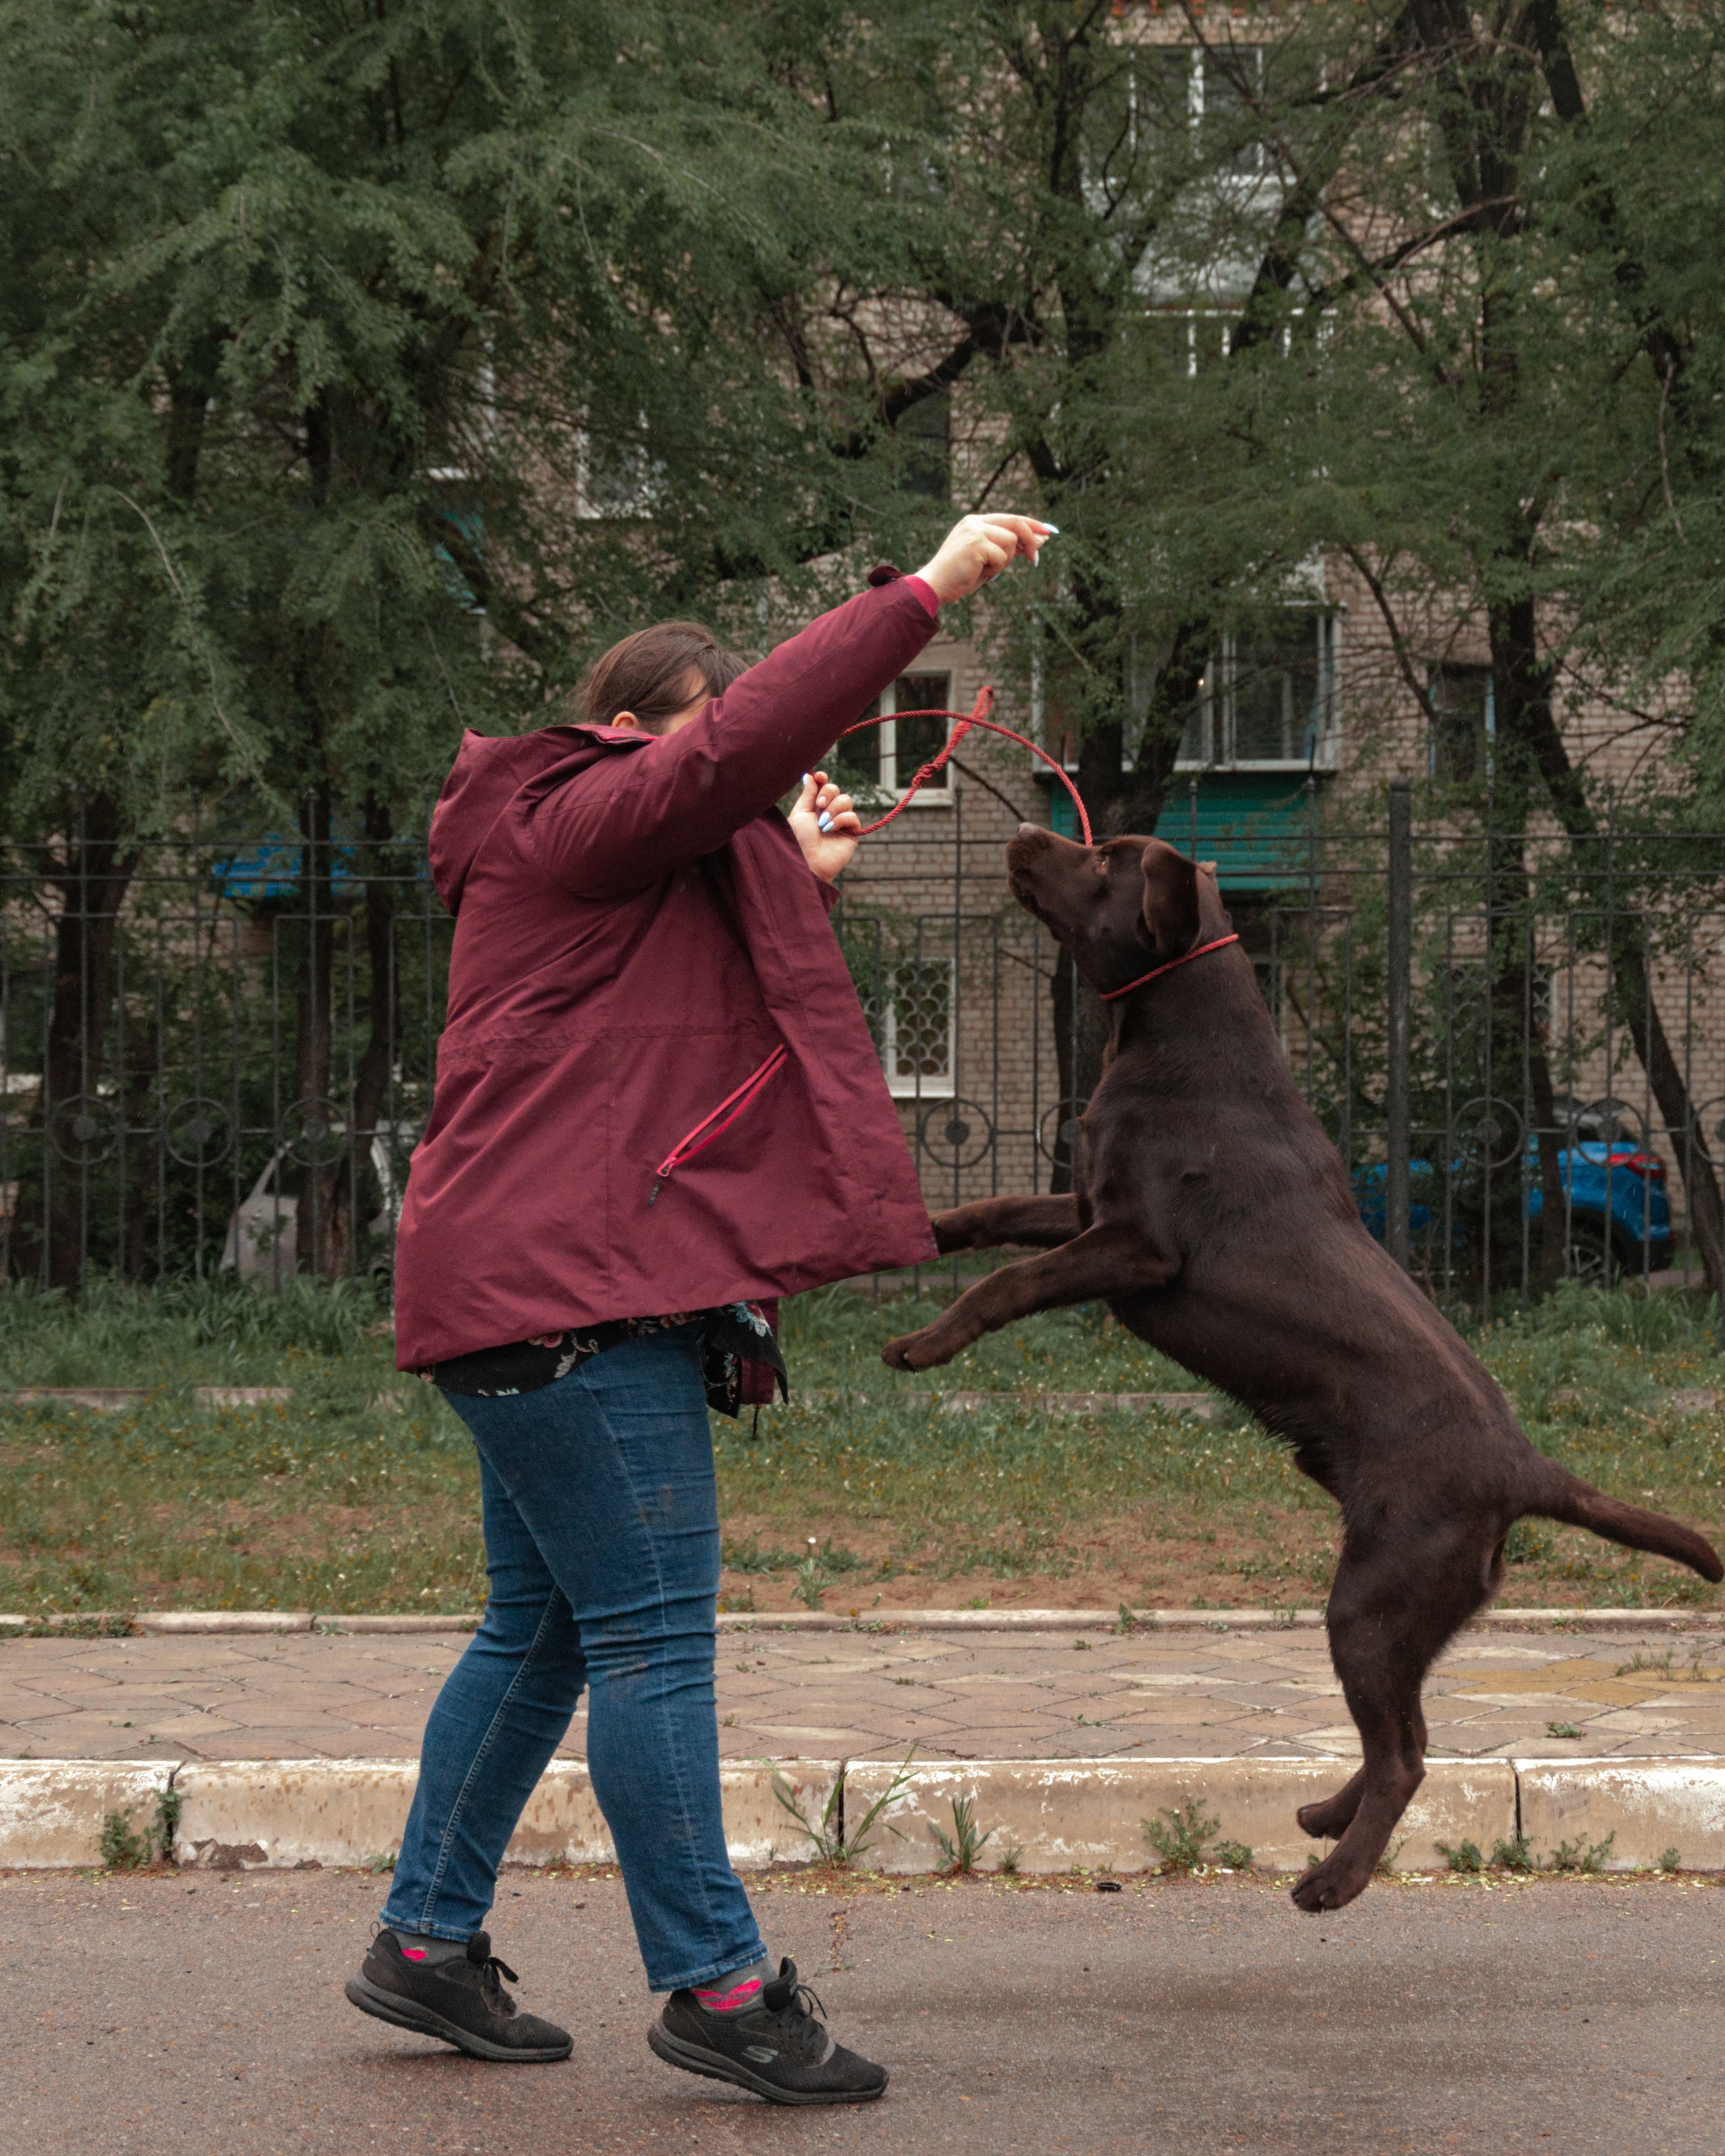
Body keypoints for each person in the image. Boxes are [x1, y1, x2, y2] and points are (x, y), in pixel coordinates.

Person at [343, 513, 1053, 2105]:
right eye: (708, 762)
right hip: (568, 1306)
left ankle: (421, 1941)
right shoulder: (581, 808)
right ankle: (718, 1985)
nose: (729, 795)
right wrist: (921, 596)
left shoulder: (615, 867)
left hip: (530, 1293)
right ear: (642, 734)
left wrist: (796, 878)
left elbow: (685, 1032)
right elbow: (728, 752)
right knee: (654, 1638)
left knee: (538, 1630)